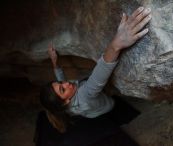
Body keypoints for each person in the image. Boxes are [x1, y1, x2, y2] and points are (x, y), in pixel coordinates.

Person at [37, 6, 151, 146]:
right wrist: (117, 43)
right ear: (66, 101)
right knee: (95, 80)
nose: (65, 83)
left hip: (91, 109)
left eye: (60, 84)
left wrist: (54, 61)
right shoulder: (85, 95)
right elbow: (101, 71)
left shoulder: (64, 104)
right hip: (109, 107)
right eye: (62, 89)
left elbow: (61, 80)